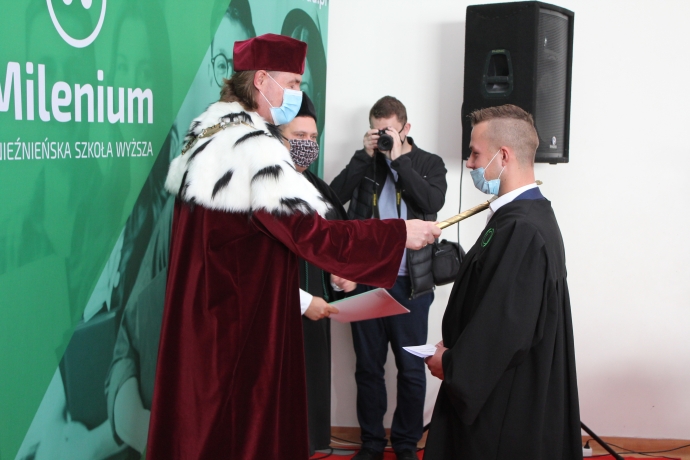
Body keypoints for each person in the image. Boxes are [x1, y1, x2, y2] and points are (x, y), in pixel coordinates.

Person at [147, 34, 441, 460]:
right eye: (292, 83)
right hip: (240, 326)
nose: (297, 94)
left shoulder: (208, 133)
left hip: (205, 317)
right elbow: (314, 236)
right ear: (261, 80)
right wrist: (398, 235)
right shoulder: (253, 151)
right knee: (240, 432)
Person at [423, 104, 581, 460]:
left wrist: (453, 364)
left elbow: (505, 328)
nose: (469, 164)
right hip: (500, 386)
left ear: (504, 155)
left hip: (504, 404)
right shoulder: (521, 218)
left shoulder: (522, 229)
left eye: (475, 154)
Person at [330, 96, 447, 460]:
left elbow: (431, 202)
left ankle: (407, 445)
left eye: (389, 131)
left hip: (411, 284)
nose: (383, 137)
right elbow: (333, 198)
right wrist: (363, 157)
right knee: (368, 367)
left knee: (411, 368)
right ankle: (371, 444)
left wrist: (399, 161)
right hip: (367, 279)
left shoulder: (428, 163)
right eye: (377, 131)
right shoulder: (367, 162)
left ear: (405, 129)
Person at [279, 93, 354, 456]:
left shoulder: (317, 188)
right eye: (299, 137)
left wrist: (342, 273)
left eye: (313, 138)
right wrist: (301, 302)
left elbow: (335, 244)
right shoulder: (262, 190)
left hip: (315, 321)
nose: (307, 145)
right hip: (279, 321)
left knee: (308, 415)